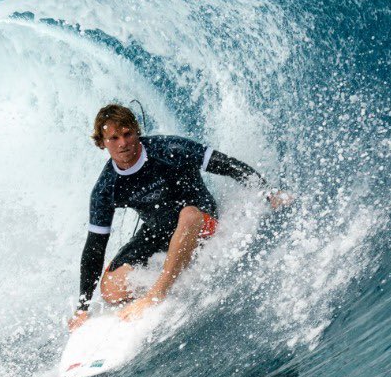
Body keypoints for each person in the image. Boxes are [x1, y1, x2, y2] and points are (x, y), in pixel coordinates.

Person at [67, 103, 290, 330]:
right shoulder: (106, 187)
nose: (123, 143)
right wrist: (83, 307)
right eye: (113, 138)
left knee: (188, 214)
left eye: (127, 134)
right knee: (111, 290)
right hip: (159, 230)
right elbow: (95, 247)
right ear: (102, 143)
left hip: (199, 220)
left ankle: (157, 293)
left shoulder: (170, 149)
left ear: (136, 132)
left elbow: (227, 165)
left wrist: (268, 192)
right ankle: (173, 269)